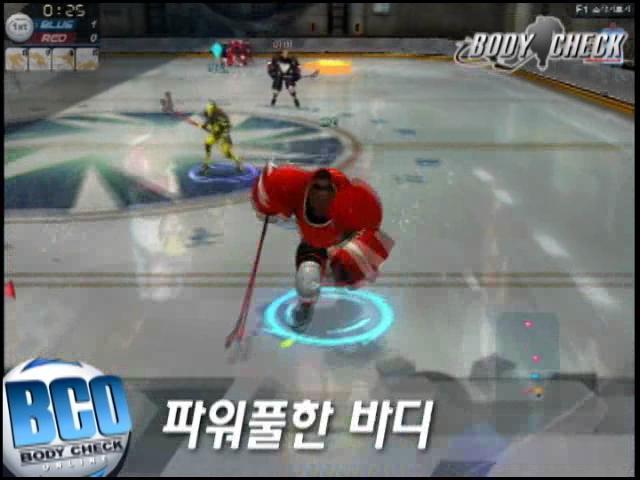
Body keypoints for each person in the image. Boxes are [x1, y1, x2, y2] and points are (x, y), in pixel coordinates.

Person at [251, 164, 394, 329]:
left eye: (326, 191)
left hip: (342, 242)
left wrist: (358, 259)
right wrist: (268, 203)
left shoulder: (351, 206)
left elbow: (368, 229)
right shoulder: (297, 193)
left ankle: (343, 281)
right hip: (313, 242)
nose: (321, 197)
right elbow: (274, 208)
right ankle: (306, 305)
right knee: (307, 276)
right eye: (317, 189)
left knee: (351, 270)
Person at [200, 100, 243, 174]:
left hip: (223, 137)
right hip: (214, 135)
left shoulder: (222, 117)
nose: (208, 115)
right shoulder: (210, 115)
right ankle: (206, 164)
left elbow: (228, 127)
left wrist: (220, 132)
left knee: (227, 154)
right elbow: (207, 122)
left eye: (209, 112)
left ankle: (238, 161)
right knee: (207, 144)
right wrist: (204, 126)